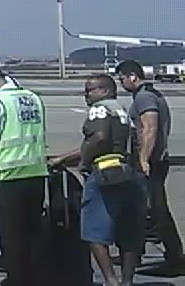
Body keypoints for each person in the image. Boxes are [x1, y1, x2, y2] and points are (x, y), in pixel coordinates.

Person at [50, 74, 147, 286]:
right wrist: (65, 157)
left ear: (104, 91)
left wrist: (83, 162)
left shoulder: (100, 108)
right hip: (129, 174)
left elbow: (99, 139)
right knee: (128, 232)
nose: (86, 95)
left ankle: (110, 280)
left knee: (93, 230)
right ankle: (127, 281)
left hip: (104, 175)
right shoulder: (122, 111)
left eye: (90, 90)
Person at [0, 70, 49, 285]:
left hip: (9, 177)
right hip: (37, 174)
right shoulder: (33, 97)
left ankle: (16, 279)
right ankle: (34, 277)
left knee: (11, 235)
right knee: (33, 232)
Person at [116, 60, 184, 276]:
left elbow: (150, 127)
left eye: (122, 79)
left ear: (132, 76)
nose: (121, 83)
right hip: (156, 160)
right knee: (144, 210)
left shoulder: (144, 97)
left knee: (156, 211)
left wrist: (143, 158)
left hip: (150, 162)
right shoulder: (152, 94)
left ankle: (175, 257)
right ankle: (134, 254)